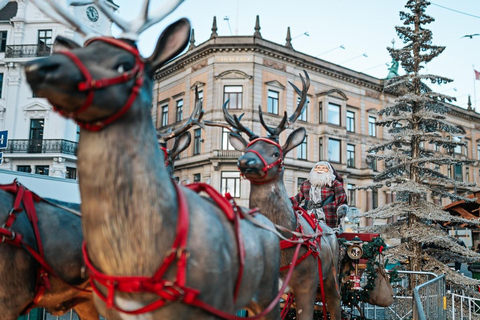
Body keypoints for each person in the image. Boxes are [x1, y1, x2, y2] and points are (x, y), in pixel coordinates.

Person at [291, 161, 348, 230]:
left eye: (324, 168)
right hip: (308, 217)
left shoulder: (335, 184)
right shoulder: (306, 184)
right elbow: (297, 198)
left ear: (329, 171)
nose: (320, 170)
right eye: (317, 168)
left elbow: (341, 199)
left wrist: (341, 209)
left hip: (328, 219)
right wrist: (284, 202)